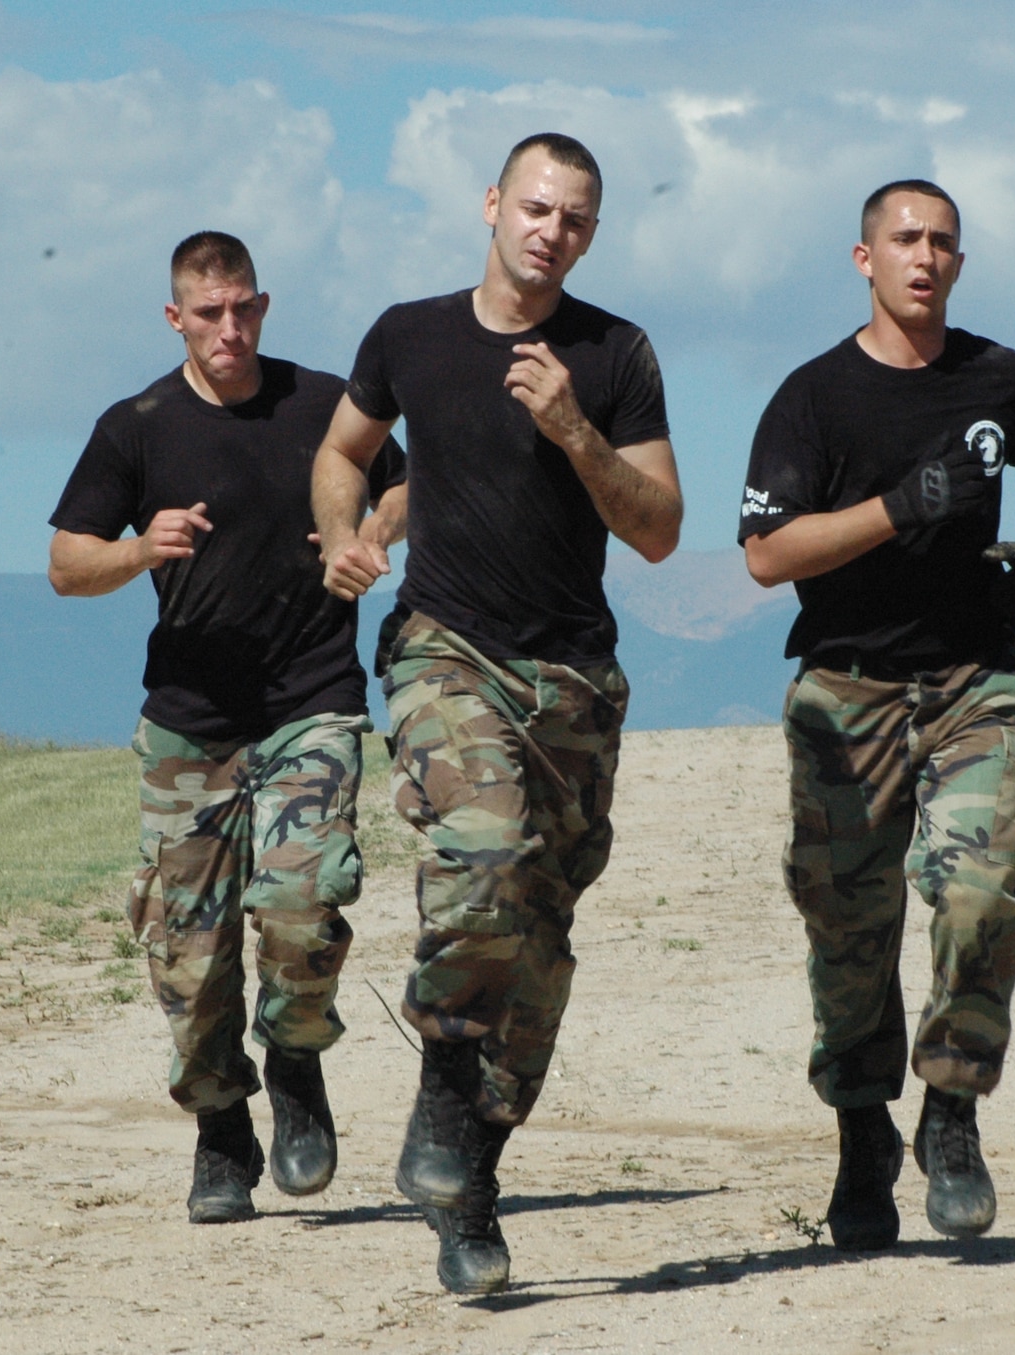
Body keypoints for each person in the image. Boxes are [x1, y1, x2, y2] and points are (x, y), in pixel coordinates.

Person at [311, 133, 682, 1293]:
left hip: (570, 677)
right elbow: (341, 448)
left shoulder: (613, 354)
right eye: (534, 208)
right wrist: (341, 533)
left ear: (590, 234)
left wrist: (574, 427)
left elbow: (659, 527)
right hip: (444, 648)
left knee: (537, 943)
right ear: (490, 206)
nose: (549, 231)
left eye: (573, 218)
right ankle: (438, 1090)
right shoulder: (407, 334)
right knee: (479, 860)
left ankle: (470, 1172)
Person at [738, 180, 1015, 1249]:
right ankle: (858, 1133)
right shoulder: (812, 397)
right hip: (846, 692)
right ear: (862, 259)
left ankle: (950, 1109)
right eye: (903, 240)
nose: (923, 258)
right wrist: (898, 508)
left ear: (958, 263)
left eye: (941, 243)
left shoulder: (1000, 377)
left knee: (979, 887)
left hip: (975, 678)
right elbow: (764, 552)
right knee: (848, 929)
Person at [47, 231, 406, 1224]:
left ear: (263, 304)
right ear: (176, 318)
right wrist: (136, 550)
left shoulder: (323, 405)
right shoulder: (138, 426)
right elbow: (66, 561)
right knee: (189, 961)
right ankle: (219, 1128)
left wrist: (365, 535)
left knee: (301, 905)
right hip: (190, 726)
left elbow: (406, 482)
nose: (229, 328)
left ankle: (294, 1061)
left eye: (243, 307)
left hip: (311, 699)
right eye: (208, 312)